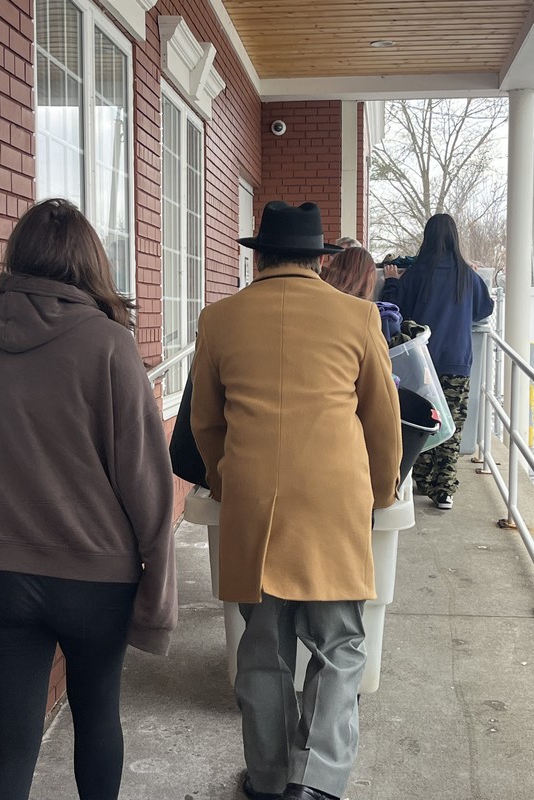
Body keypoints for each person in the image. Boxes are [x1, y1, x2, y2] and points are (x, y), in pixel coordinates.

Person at [0, 198, 177, 800]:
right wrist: (157, 595)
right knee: (97, 720)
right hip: (96, 583)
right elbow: (147, 481)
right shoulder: (109, 344)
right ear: (90, 262)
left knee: (9, 751)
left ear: (17, 257)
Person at [190, 201, 402, 800]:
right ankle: (315, 782)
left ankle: (267, 780)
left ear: (260, 257)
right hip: (334, 503)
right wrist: (380, 493)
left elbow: (205, 423)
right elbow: (382, 422)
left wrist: (228, 484)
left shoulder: (219, 318)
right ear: (318, 259)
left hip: (254, 503)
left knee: (263, 651)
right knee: (340, 645)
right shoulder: (358, 316)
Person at [381, 212, 494, 510]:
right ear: (455, 238)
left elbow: (395, 309)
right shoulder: (466, 276)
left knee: (425, 421)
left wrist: (391, 281)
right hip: (457, 361)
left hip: (421, 363)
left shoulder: (417, 273)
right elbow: (485, 310)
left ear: (427, 238)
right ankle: (444, 490)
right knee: (451, 424)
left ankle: (422, 477)